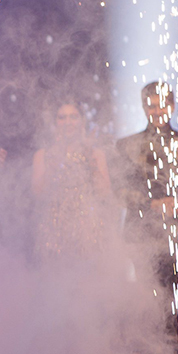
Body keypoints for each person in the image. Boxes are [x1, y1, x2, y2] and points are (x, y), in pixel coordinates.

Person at [116, 82, 178, 354]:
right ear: (144, 107)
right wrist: (152, 203)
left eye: (162, 105)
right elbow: (119, 190)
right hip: (142, 238)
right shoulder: (127, 146)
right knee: (146, 302)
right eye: (152, 105)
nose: (157, 111)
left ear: (171, 107)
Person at [31, 100, 112, 256]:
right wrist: (54, 162)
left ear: (82, 121)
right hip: (53, 232)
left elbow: (104, 193)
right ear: (56, 122)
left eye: (73, 117)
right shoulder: (43, 155)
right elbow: (38, 194)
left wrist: (90, 160)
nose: (68, 122)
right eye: (62, 118)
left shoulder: (95, 153)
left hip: (88, 230)